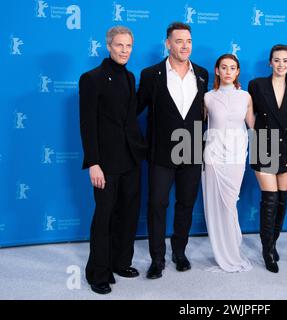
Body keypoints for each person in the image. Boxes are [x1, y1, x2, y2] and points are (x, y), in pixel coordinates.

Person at [137, 22, 208, 279]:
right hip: (161, 152)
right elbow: (135, 110)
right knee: (157, 204)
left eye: (188, 41)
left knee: (186, 204)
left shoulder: (201, 74)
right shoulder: (150, 74)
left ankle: (179, 252)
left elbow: (204, 113)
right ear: (168, 43)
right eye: (179, 41)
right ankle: (157, 258)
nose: (185, 46)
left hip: (190, 149)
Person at [79, 26, 147, 294]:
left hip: (131, 159)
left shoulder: (130, 77)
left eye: (128, 46)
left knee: (128, 215)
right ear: (108, 46)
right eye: (119, 45)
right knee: (104, 217)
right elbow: (87, 124)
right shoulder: (91, 78)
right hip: (105, 163)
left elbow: (129, 118)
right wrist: (93, 162)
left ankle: (120, 262)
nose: (124, 50)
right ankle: (98, 272)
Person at [248, 44, 287, 273]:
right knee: (270, 199)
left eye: (285, 60)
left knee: (282, 200)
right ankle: (267, 250)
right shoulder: (257, 85)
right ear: (270, 62)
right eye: (277, 60)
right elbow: (248, 114)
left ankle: (272, 242)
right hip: (264, 144)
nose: (281, 64)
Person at [202, 54, 254, 273]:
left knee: (230, 203)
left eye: (232, 68)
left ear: (238, 71)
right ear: (217, 70)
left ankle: (232, 247)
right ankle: (222, 251)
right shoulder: (207, 97)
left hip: (237, 155)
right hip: (213, 155)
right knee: (216, 205)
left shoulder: (245, 96)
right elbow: (195, 123)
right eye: (224, 67)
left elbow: (253, 126)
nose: (228, 71)